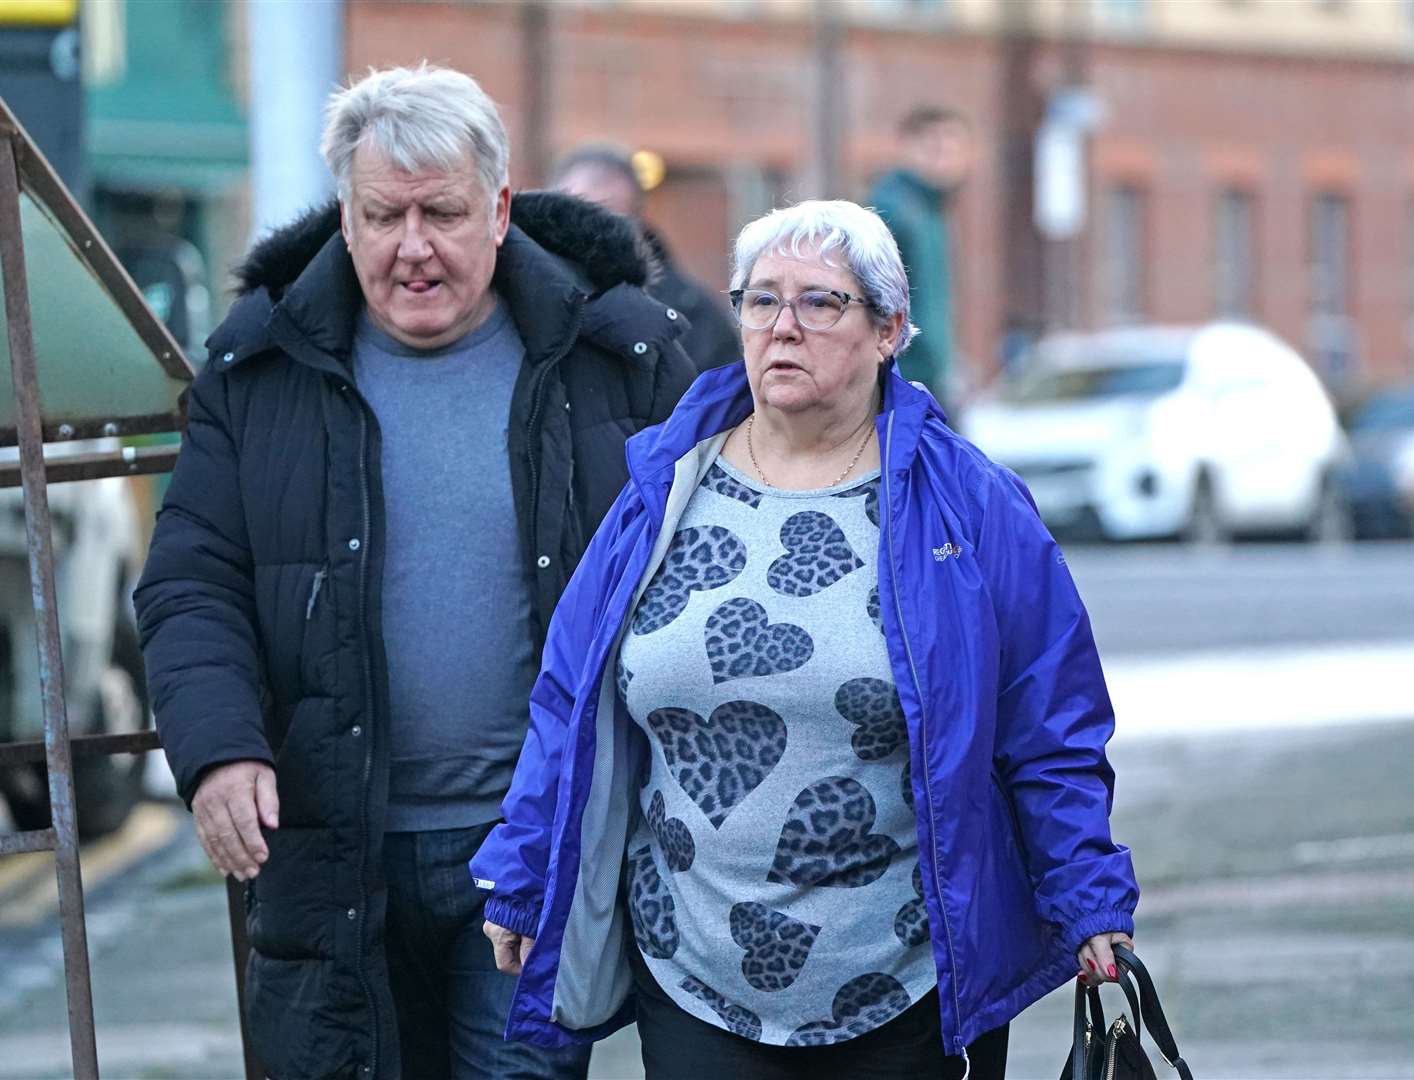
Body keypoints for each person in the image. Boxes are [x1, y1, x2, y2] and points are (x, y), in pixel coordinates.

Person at [471, 200, 1138, 1080]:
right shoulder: (662, 487)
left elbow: (1047, 721)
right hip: (692, 970)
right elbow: (570, 698)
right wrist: (523, 870)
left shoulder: (969, 506)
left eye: (820, 303)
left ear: (889, 329)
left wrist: (1088, 897)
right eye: (759, 300)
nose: (782, 327)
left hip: (907, 976)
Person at [134, 63, 693, 1080]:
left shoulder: (620, 358)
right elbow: (191, 582)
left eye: (442, 212)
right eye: (384, 215)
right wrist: (218, 750)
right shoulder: (256, 372)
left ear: (500, 210)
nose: (414, 247)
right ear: (345, 220)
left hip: (530, 852)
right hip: (330, 850)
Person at [553, 144, 741, 374]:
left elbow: (721, 401)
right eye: (577, 217)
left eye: (609, 221)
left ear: (637, 223)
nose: (592, 236)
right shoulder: (520, 297)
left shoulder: (690, 315)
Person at [868, 106, 973, 413]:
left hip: (931, 377)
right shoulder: (893, 210)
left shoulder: (930, 210)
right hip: (903, 380)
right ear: (906, 148)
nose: (944, 159)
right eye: (934, 147)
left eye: (953, 150)